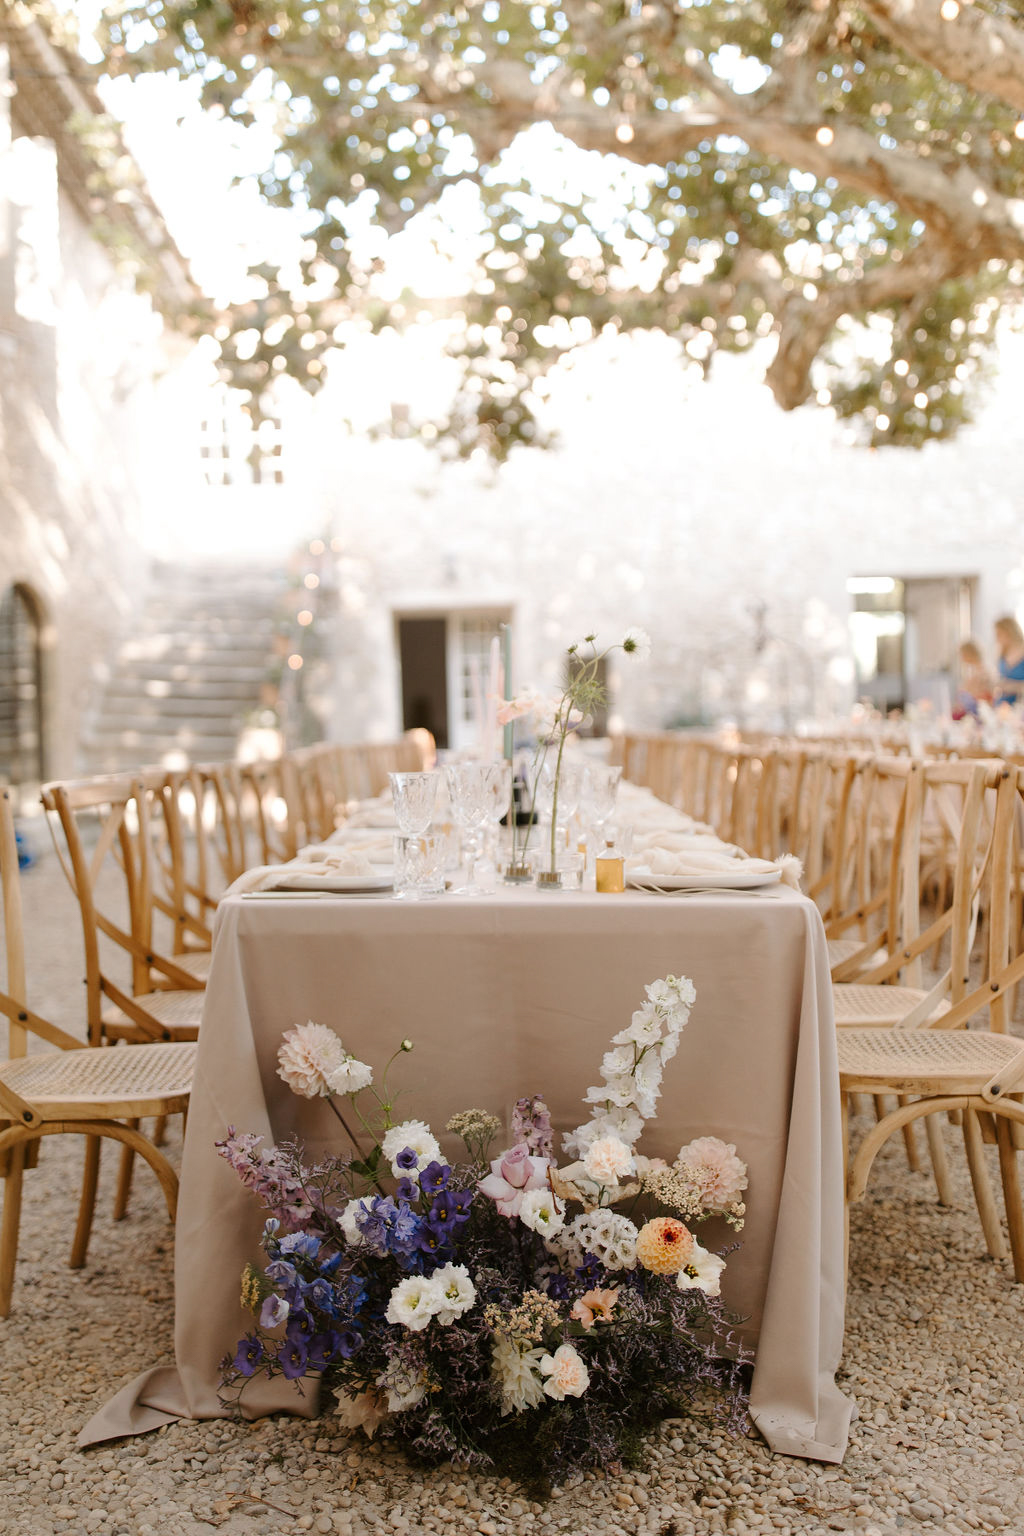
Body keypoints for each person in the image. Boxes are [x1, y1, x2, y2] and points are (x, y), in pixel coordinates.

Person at [952, 638, 995, 719]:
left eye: (962, 655)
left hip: (978, 716)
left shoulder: (983, 673)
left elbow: (982, 699)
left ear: (969, 654)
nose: (961, 659)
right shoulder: (974, 672)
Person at [994, 615, 1024, 704]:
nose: (997, 638)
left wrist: (1012, 687)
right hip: (1003, 707)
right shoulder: (1002, 655)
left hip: (1019, 707)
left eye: (999, 634)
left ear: (1009, 632)